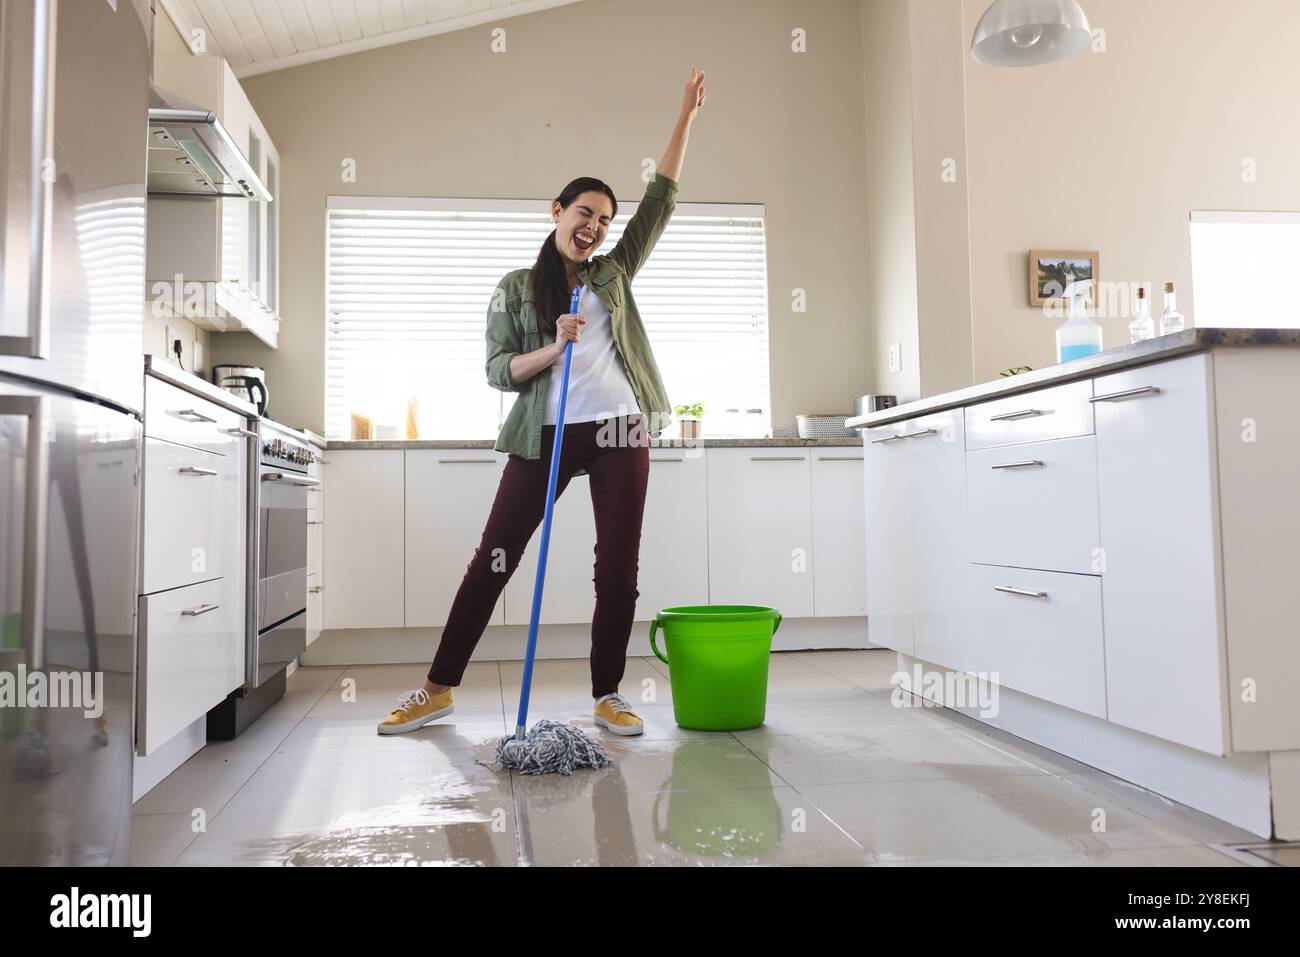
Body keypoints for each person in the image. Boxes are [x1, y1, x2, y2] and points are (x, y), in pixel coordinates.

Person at [379, 67, 707, 738]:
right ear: (556, 213)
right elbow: (499, 370)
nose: (594, 226)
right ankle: (438, 687)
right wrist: (553, 350)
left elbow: (662, 198)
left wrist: (686, 116)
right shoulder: (513, 287)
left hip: (620, 428)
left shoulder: (613, 270)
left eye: (604, 220)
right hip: (544, 434)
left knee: (617, 566)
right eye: (584, 212)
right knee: (494, 556)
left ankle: (608, 693)